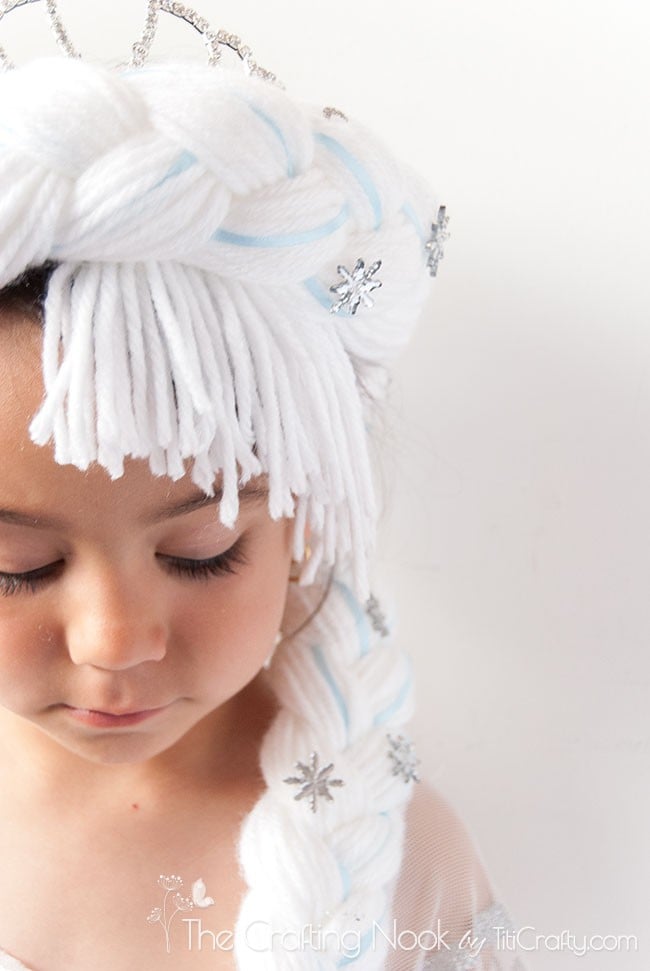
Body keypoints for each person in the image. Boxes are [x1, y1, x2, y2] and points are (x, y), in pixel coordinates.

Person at [0, 4, 531, 969]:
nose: (114, 639)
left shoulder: (402, 866)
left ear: (305, 520)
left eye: (203, 554)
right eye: (17, 568)